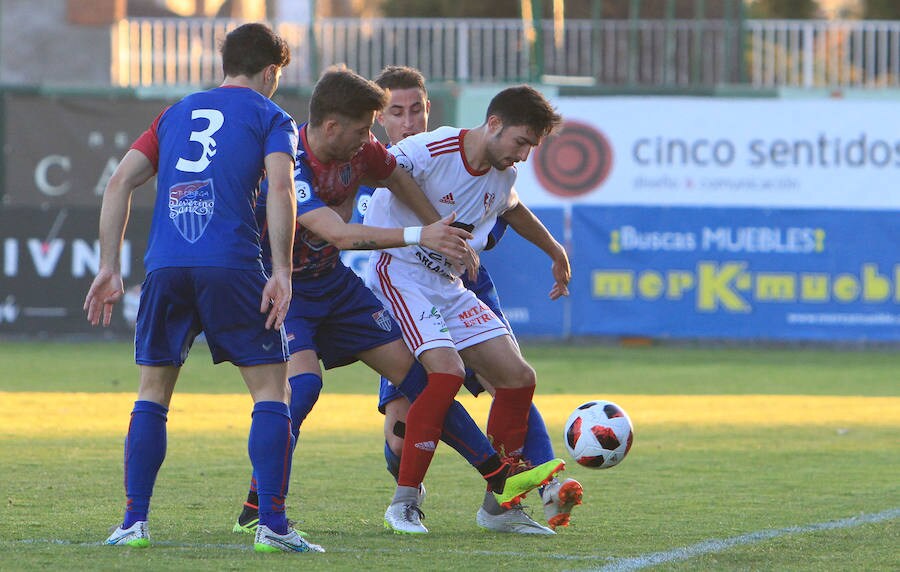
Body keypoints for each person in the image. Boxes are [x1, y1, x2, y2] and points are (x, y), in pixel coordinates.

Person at [230, 66, 563, 536]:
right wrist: (423, 233)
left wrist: (440, 229)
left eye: (405, 113)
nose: (375, 138)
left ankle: (497, 495)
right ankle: (259, 507)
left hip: (340, 286)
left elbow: (402, 181)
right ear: (331, 127)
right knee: (305, 391)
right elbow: (339, 234)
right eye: (371, 125)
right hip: (290, 289)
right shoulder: (291, 158)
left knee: (441, 379)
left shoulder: (368, 151)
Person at [82, 23, 324, 553]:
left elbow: (119, 181)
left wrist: (108, 265)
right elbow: (281, 188)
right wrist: (281, 272)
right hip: (232, 265)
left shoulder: (174, 113)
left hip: (166, 265)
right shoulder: (272, 116)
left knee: (152, 394)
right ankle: (273, 526)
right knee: (270, 392)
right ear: (269, 71)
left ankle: (132, 524)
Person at [361, 66, 583, 533]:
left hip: (447, 284)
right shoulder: (430, 148)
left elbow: (513, 208)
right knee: (446, 374)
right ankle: (403, 503)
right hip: (399, 272)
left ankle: (499, 508)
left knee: (519, 377)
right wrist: (435, 228)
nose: (523, 155)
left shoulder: (503, 172)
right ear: (495, 124)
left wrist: (554, 250)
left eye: (531, 147)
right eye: (521, 142)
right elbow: (384, 170)